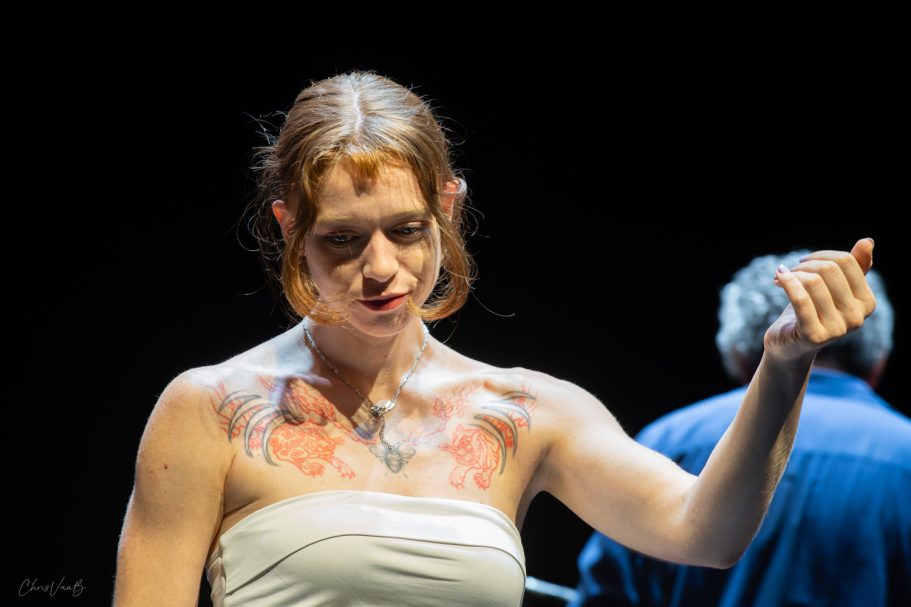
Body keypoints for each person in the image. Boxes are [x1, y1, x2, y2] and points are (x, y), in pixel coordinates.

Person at [112, 69, 878, 607]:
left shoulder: (526, 409)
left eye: (406, 230)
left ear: (448, 208)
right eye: (341, 238)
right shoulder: (210, 409)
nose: (379, 268)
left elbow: (705, 532)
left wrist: (783, 365)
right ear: (289, 228)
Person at [570, 250, 911, 607]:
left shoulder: (665, 441)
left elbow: (606, 596)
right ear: (879, 360)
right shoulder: (904, 453)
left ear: (737, 354)